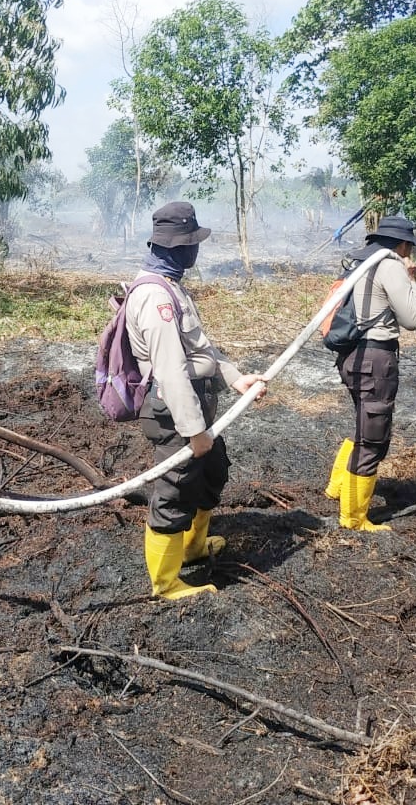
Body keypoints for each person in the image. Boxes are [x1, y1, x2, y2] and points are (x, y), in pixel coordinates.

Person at [126, 202, 268, 600]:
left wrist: (237, 378)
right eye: (193, 243)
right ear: (178, 247)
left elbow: (201, 350)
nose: (196, 250)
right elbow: (171, 371)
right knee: (174, 491)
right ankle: (166, 583)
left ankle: (192, 549)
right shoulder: (155, 297)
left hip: (195, 405)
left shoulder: (173, 287)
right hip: (173, 413)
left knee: (212, 474)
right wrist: (193, 432)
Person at [325, 215, 416, 531]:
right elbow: (411, 318)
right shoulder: (391, 264)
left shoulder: (362, 261)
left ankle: (338, 489)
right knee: (374, 439)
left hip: (352, 357)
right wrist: (411, 283)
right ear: (403, 243)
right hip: (375, 360)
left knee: (364, 427)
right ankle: (353, 519)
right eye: (409, 246)